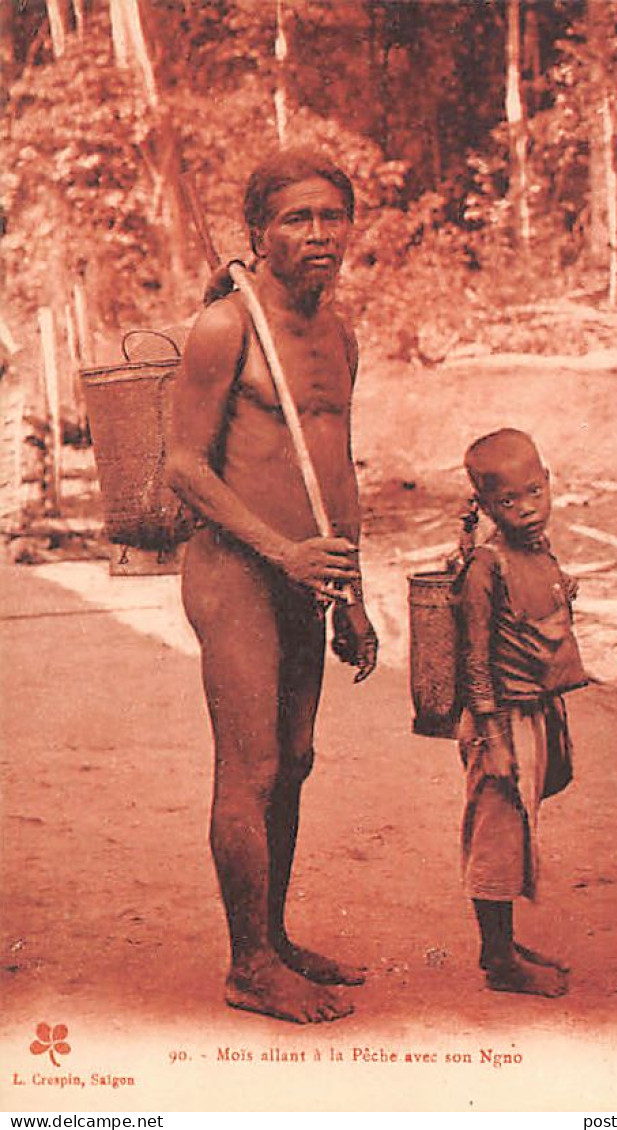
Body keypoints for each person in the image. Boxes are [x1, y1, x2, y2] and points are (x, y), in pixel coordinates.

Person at [167, 148, 378, 1024]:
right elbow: (182, 466)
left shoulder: (337, 334)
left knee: (295, 761)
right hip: (236, 571)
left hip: (310, 575)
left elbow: (334, 466)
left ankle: (274, 939)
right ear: (259, 233)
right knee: (251, 766)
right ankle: (247, 965)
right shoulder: (225, 328)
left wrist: (350, 587)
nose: (318, 234)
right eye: (297, 218)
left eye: (332, 216)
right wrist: (280, 553)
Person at [456, 428, 587, 997]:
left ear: (550, 481)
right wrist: (494, 737)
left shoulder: (534, 549)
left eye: (534, 492)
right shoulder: (486, 565)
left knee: (516, 829)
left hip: (531, 711)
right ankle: (498, 961)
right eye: (507, 502)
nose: (527, 509)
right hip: (500, 719)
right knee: (499, 836)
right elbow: (475, 657)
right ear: (483, 506)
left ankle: (502, 944)